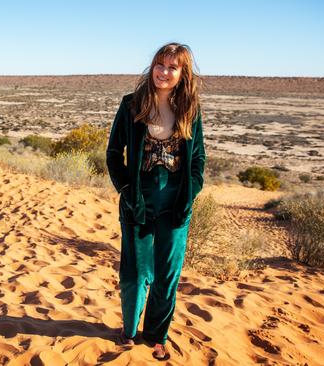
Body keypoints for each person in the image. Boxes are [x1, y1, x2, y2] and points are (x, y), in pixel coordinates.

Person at [106, 42, 206, 360]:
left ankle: (156, 335)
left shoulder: (190, 109)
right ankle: (129, 330)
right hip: (138, 199)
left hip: (176, 202)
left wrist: (189, 196)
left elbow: (198, 160)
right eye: (160, 65)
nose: (164, 72)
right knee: (135, 270)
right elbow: (113, 154)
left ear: (182, 73)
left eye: (172, 67)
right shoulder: (131, 105)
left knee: (167, 273)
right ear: (153, 68)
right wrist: (126, 189)